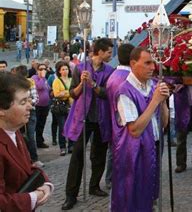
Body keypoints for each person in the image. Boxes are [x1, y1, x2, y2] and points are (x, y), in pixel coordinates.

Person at [111, 46, 169, 211]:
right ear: (133, 63)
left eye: (154, 63)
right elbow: (135, 130)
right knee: (133, 193)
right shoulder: (125, 91)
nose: (152, 67)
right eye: (148, 63)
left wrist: (163, 101)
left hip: (154, 147)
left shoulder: (153, 85)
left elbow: (163, 124)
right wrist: (155, 101)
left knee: (151, 190)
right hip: (134, 152)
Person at [62, 38, 114, 210]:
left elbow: (107, 94)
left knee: (98, 155)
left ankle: (94, 186)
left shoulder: (109, 71)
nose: (110, 54)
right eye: (108, 52)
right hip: (82, 117)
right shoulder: (80, 68)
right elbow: (73, 94)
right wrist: (82, 84)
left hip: (100, 118)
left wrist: (92, 84)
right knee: (77, 156)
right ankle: (71, 195)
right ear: (99, 51)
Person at [0, 72, 53, 210]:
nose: (30, 106)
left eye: (29, 100)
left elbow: (28, 167)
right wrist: (34, 197)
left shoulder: (14, 131)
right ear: (1, 110)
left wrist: (46, 184)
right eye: (23, 102)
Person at [105, 43, 135, 189]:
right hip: (125, 123)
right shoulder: (129, 78)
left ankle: (110, 178)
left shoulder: (113, 75)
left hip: (113, 119)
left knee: (113, 151)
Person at [14, 65, 43, 168]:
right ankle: (22, 159)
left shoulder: (30, 83)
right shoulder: (14, 85)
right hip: (17, 113)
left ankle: (34, 158)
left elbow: (36, 98)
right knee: (19, 136)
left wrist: (30, 102)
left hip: (30, 112)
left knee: (30, 136)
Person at [52, 61, 73, 156]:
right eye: (63, 69)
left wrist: (64, 92)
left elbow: (74, 92)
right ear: (59, 71)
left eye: (66, 69)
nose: (65, 71)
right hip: (60, 106)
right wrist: (68, 92)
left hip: (70, 106)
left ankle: (71, 146)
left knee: (71, 126)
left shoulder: (71, 79)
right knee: (62, 127)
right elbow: (57, 94)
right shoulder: (57, 81)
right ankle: (62, 147)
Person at [31, 63, 50, 149]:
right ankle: (35, 142)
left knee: (42, 124)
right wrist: (42, 77)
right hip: (37, 106)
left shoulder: (45, 78)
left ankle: (40, 141)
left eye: (44, 69)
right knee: (36, 124)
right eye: (41, 69)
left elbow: (47, 88)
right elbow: (39, 86)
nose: (43, 71)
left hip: (45, 105)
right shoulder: (34, 78)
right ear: (37, 70)